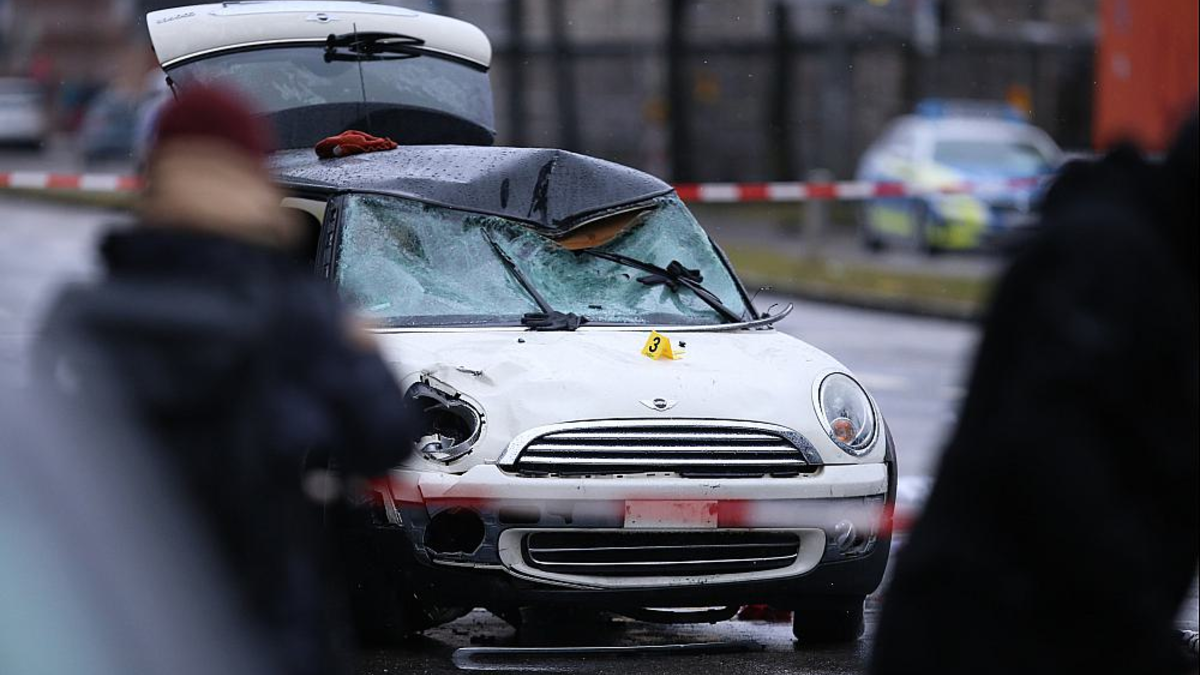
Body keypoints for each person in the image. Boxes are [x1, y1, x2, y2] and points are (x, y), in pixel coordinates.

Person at [37, 85, 414, 675]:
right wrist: (359, 350)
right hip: (265, 630)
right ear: (250, 175)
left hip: (124, 632)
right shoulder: (298, 310)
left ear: (153, 174)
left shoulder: (81, 316)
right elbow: (385, 438)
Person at [871, 113, 1198, 675]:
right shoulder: (1110, 262)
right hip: (989, 635)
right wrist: (1139, 623)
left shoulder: (1138, 256)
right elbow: (1055, 457)